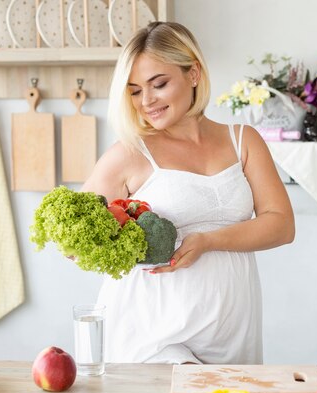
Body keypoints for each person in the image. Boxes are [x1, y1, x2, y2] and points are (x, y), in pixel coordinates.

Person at [81, 21, 294, 365]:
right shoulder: (130, 153)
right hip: (154, 331)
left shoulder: (243, 140)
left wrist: (208, 241)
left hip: (231, 329)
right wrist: (94, 247)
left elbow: (282, 225)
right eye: (134, 91)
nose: (145, 101)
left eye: (158, 84)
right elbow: (78, 241)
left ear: (193, 73)